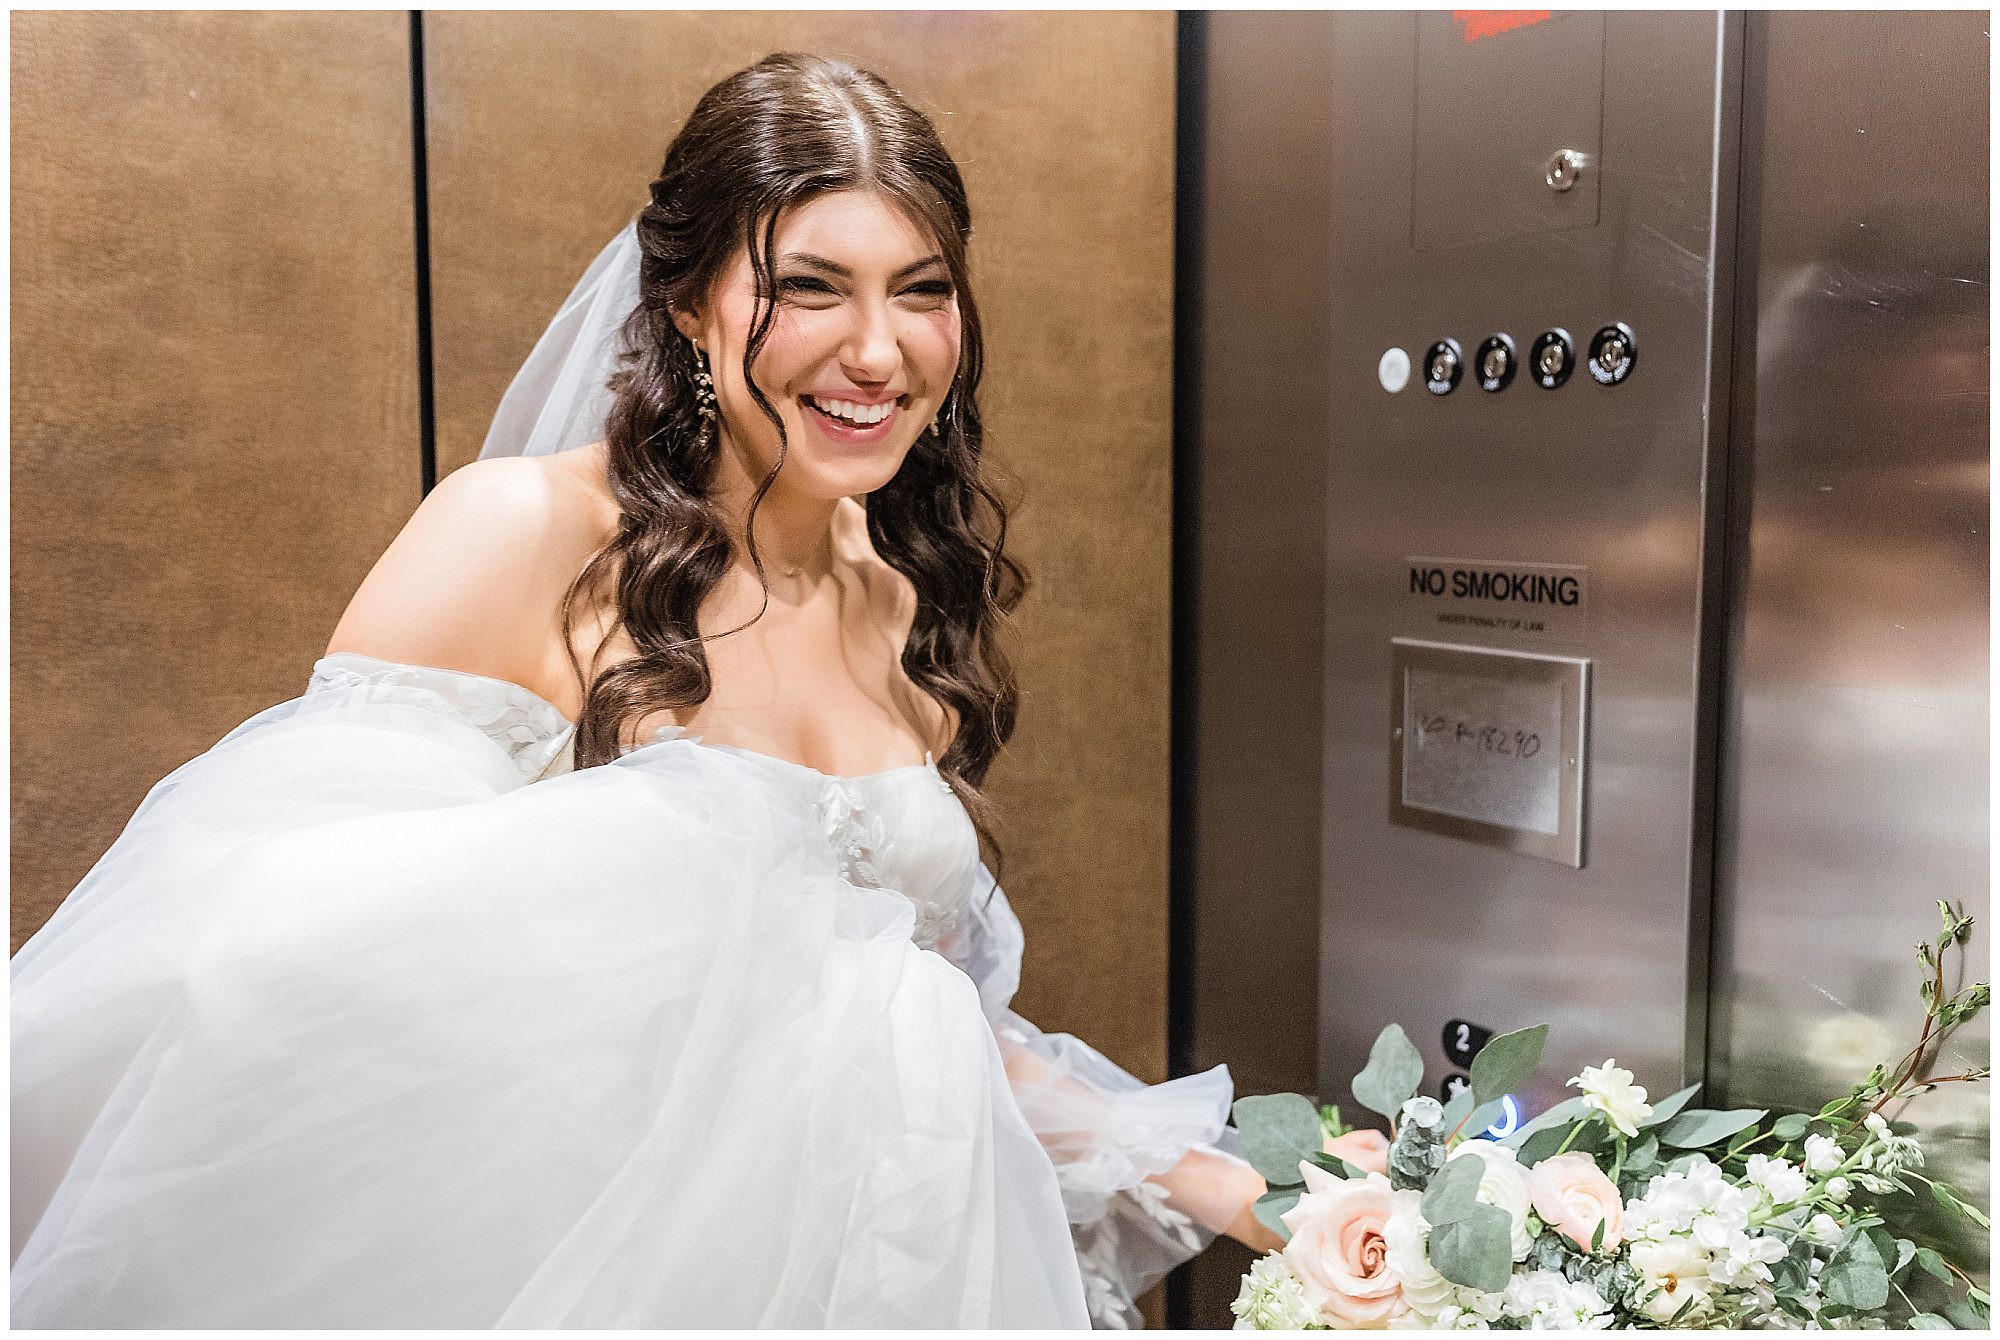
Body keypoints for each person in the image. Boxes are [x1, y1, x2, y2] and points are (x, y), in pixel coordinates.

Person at [10, 53, 1281, 1327]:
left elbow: (940, 1031)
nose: (879, 350)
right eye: (809, 289)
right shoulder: (520, 536)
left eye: (922, 290)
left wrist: (1254, 1190)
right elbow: (261, 964)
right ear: (684, 301)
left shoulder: (895, 600)